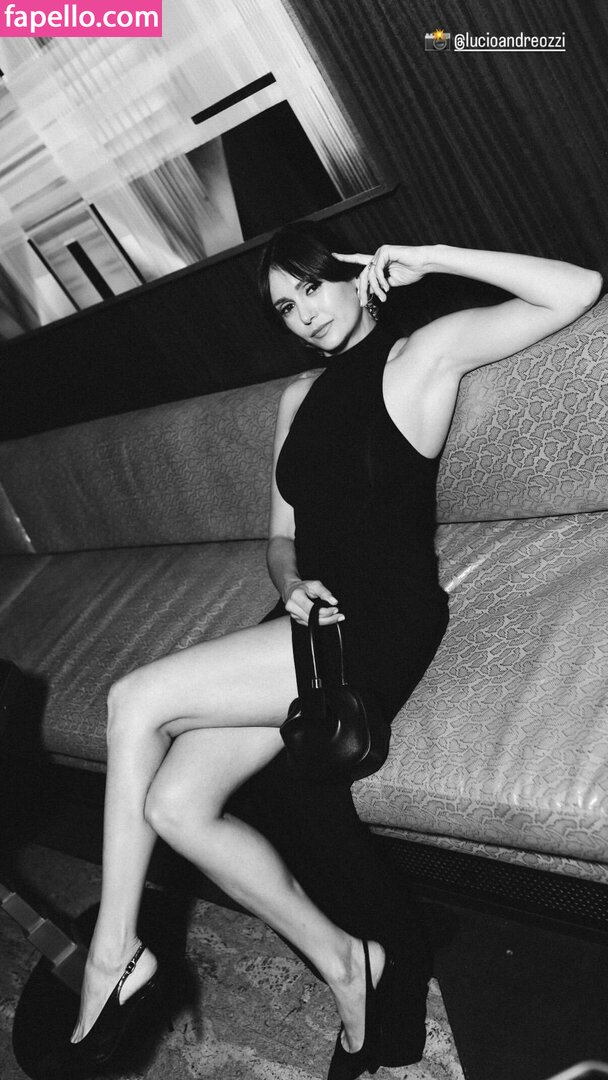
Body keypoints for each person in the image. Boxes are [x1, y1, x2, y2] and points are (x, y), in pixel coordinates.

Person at [41, 221, 601, 1080]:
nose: (302, 313)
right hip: (306, 616)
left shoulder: (418, 357)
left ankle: (115, 956)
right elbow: (281, 538)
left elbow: (578, 288)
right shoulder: (296, 400)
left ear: (354, 273)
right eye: (284, 306)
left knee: (133, 700)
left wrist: (430, 260)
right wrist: (292, 580)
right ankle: (348, 963)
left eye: (311, 287)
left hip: (380, 615)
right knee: (176, 805)